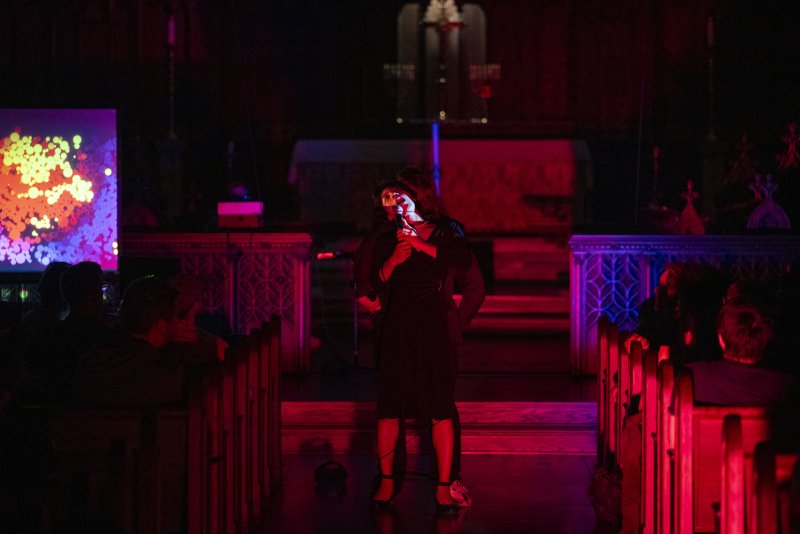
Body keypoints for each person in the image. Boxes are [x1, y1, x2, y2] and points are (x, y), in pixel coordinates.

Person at [354, 168, 485, 508]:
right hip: (397, 325)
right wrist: (393, 260)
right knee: (389, 406)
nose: (395, 203)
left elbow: (461, 260)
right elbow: (368, 287)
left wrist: (418, 243)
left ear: (418, 196)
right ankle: (387, 482)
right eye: (390, 198)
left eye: (402, 196)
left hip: (434, 326)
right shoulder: (385, 237)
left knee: (440, 407)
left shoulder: (447, 230)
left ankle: (443, 485)